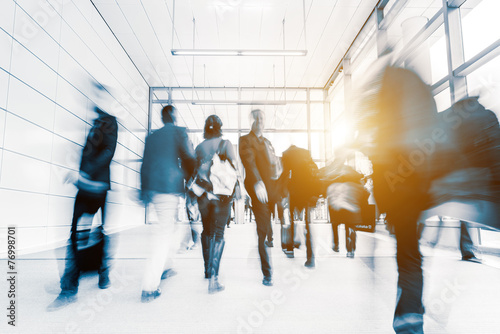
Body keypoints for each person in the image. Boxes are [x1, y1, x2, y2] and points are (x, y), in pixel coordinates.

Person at [47, 84, 118, 311]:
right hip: (88, 185)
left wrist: (84, 174)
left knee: (85, 233)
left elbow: (107, 152)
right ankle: (93, 276)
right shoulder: (96, 122)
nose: (93, 99)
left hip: (95, 186)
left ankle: (76, 285)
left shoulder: (110, 122)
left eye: (98, 94)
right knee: (81, 233)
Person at [139, 105, 196, 303]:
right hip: (169, 187)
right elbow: (188, 157)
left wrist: (143, 189)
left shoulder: (151, 137)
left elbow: (144, 164)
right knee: (163, 234)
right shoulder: (179, 132)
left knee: (173, 226)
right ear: (173, 116)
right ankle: (149, 286)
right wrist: (191, 181)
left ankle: (166, 266)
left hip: (154, 188)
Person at [194, 115, 238, 293]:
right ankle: (214, 278)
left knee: (206, 231)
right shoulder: (226, 144)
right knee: (219, 234)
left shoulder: (199, 147)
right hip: (221, 195)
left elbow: (194, 171)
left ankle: (206, 269)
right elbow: (234, 169)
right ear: (220, 127)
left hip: (204, 194)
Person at [239, 109, 280, 286]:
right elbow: (249, 162)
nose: (261, 121)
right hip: (259, 190)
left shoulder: (268, 142)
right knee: (262, 229)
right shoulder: (245, 140)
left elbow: (274, 164)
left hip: (272, 190)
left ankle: (271, 238)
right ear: (252, 120)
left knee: (270, 225)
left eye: (263, 118)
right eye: (258, 118)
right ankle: (267, 273)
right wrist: (257, 182)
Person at [280, 145, 320, 267]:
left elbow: (285, 174)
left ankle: (290, 249)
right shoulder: (307, 155)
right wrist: (315, 194)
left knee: (292, 220)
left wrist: (282, 191)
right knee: (307, 223)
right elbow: (315, 174)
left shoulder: (287, 155)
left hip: (295, 192)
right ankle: (310, 257)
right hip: (307, 192)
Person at [327, 163, 366, 258]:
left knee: (335, 226)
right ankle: (350, 249)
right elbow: (365, 196)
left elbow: (329, 199)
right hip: (351, 211)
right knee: (350, 227)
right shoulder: (356, 186)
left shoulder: (332, 186)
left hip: (336, 210)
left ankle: (336, 244)